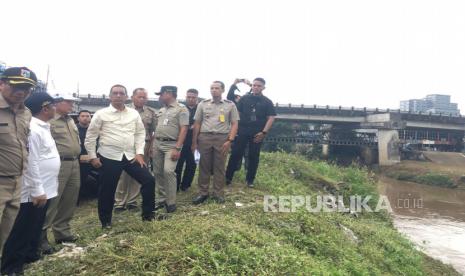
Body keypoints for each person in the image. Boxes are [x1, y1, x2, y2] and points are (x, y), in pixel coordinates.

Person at [1, 93, 60, 275]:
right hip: (33, 190)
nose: (55, 108)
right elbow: (31, 161)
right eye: (53, 105)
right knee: (21, 228)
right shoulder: (33, 129)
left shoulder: (43, 127)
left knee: (34, 225)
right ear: (45, 108)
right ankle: (11, 267)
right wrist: (37, 190)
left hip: (45, 187)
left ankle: (29, 255)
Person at [85, 84, 157, 228]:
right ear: (110, 96)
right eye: (115, 93)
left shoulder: (133, 114)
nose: (118, 96)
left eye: (121, 93)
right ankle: (106, 221)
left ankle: (148, 216)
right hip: (109, 156)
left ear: (126, 96)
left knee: (149, 180)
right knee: (107, 189)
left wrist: (139, 153)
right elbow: (91, 136)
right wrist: (93, 157)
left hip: (130, 156)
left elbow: (140, 134)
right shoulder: (101, 114)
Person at [0, 67, 37, 253]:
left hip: (16, 182)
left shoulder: (26, 113)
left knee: (4, 236)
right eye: (15, 86)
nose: (21, 92)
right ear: (2, 84)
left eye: (26, 88)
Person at [40, 94, 82, 254]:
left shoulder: (70, 120)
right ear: (56, 103)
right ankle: (41, 235)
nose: (72, 105)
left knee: (70, 198)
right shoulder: (48, 120)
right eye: (69, 102)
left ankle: (62, 232)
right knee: (53, 200)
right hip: (58, 164)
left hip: (74, 163)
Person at [191, 81, 239, 204]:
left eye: (217, 88)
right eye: (212, 88)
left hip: (222, 138)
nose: (214, 90)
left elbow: (234, 124)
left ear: (222, 90)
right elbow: (197, 123)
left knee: (220, 167)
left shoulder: (230, 105)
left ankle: (218, 193)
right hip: (205, 138)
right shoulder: (203, 104)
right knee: (204, 166)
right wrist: (194, 141)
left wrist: (230, 140)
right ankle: (203, 193)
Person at [225, 78, 276, 187]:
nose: (256, 87)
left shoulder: (267, 102)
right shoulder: (244, 98)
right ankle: (228, 177)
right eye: (254, 85)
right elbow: (236, 114)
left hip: (257, 133)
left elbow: (271, 118)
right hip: (242, 130)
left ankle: (250, 180)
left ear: (263, 87)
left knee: (254, 156)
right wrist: (234, 130)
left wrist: (264, 132)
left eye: (259, 86)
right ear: (251, 86)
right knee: (235, 154)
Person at [114, 88, 157, 212]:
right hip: (126, 145)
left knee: (140, 174)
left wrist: (151, 148)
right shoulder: (124, 109)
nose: (142, 99)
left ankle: (132, 201)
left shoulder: (150, 112)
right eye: (139, 97)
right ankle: (119, 202)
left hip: (143, 146)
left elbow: (153, 131)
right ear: (132, 97)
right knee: (123, 175)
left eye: (144, 97)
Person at [153, 86, 189, 213]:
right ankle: (161, 199)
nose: (159, 97)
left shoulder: (181, 109)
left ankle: (171, 202)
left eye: (161, 94)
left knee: (168, 171)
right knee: (157, 172)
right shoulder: (162, 110)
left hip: (171, 145)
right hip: (157, 143)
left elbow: (184, 129)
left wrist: (177, 148)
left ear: (169, 94)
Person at [175, 88, 199, 191]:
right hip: (181, 139)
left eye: (193, 97)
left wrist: (197, 126)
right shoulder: (180, 107)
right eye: (189, 97)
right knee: (178, 164)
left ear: (197, 98)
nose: (191, 99)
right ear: (186, 97)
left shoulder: (200, 108)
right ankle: (175, 185)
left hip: (195, 140)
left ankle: (186, 185)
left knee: (191, 164)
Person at [76, 110, 98, 200]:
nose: (85, 118)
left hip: (93, 157)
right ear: (78, 118)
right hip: (78, 158)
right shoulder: (75, 129)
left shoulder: (94, 129)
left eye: (88, 116)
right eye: (83, 116)